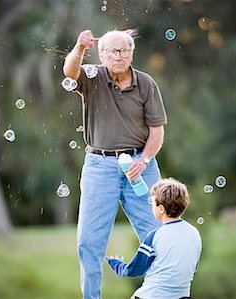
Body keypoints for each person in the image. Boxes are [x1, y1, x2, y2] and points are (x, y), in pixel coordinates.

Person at [63, 29, 168, 299]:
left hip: (141, 166)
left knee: (161, 237)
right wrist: (79, 46)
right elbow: (69, 73)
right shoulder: (92, 76)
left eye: (123, 50)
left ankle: (162, 294)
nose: (118, 56)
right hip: (100, 166)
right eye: (111, 51)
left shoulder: (146, 83)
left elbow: (156, 132)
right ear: (101, 54)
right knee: (89, 242)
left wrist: (144, 160)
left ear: (132, 53)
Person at [106, 178, 202, 299]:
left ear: (161, 209)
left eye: (153, 202)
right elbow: (191, 269)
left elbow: (135, 269)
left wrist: (117, 265)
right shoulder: (194, 233)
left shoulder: (155, 235)